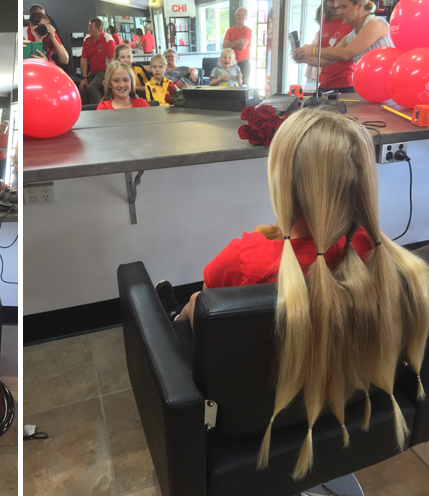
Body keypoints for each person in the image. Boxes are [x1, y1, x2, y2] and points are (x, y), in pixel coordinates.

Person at [160, 108, 429, 479]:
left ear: (283, 180)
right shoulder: (385, 260)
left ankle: (169, 306)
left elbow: (211, 310)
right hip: (352, 402)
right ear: (363, 179)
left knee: (189, 305)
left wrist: (187, 310)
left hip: (257, 418)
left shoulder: (245, 258)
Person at [292, 0, 392, 70]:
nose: (340, 12)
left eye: (344, 7)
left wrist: (312, 51)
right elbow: (324, 61)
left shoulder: (375, 24)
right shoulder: (350, 37)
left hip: (389, 88)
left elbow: (346, 53)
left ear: (359, 6)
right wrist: (302, 57)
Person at [80, 17, 117, 105]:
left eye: (91, 26)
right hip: (93, 72)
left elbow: (112, 61)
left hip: (105, 70)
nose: (88, 28)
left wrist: (109, 77)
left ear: (99, 29)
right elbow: (83, 59)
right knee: (83, 88)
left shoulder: (108, 40)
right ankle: (86, 111)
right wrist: (84, 78)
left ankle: (100, 109)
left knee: (92, 88)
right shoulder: (86, 40)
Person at [223, 7, 252, 84]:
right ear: (235, 16)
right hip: (231, 63)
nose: (240, 17)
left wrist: (230, 44)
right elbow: (224, 46)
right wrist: (238, 41)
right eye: (238, 15)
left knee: (244, 85)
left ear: (245, 17)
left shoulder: (248, 30)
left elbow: (242, 47)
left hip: (244, 63)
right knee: (231, 84)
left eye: (242, 15)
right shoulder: (230, 30)